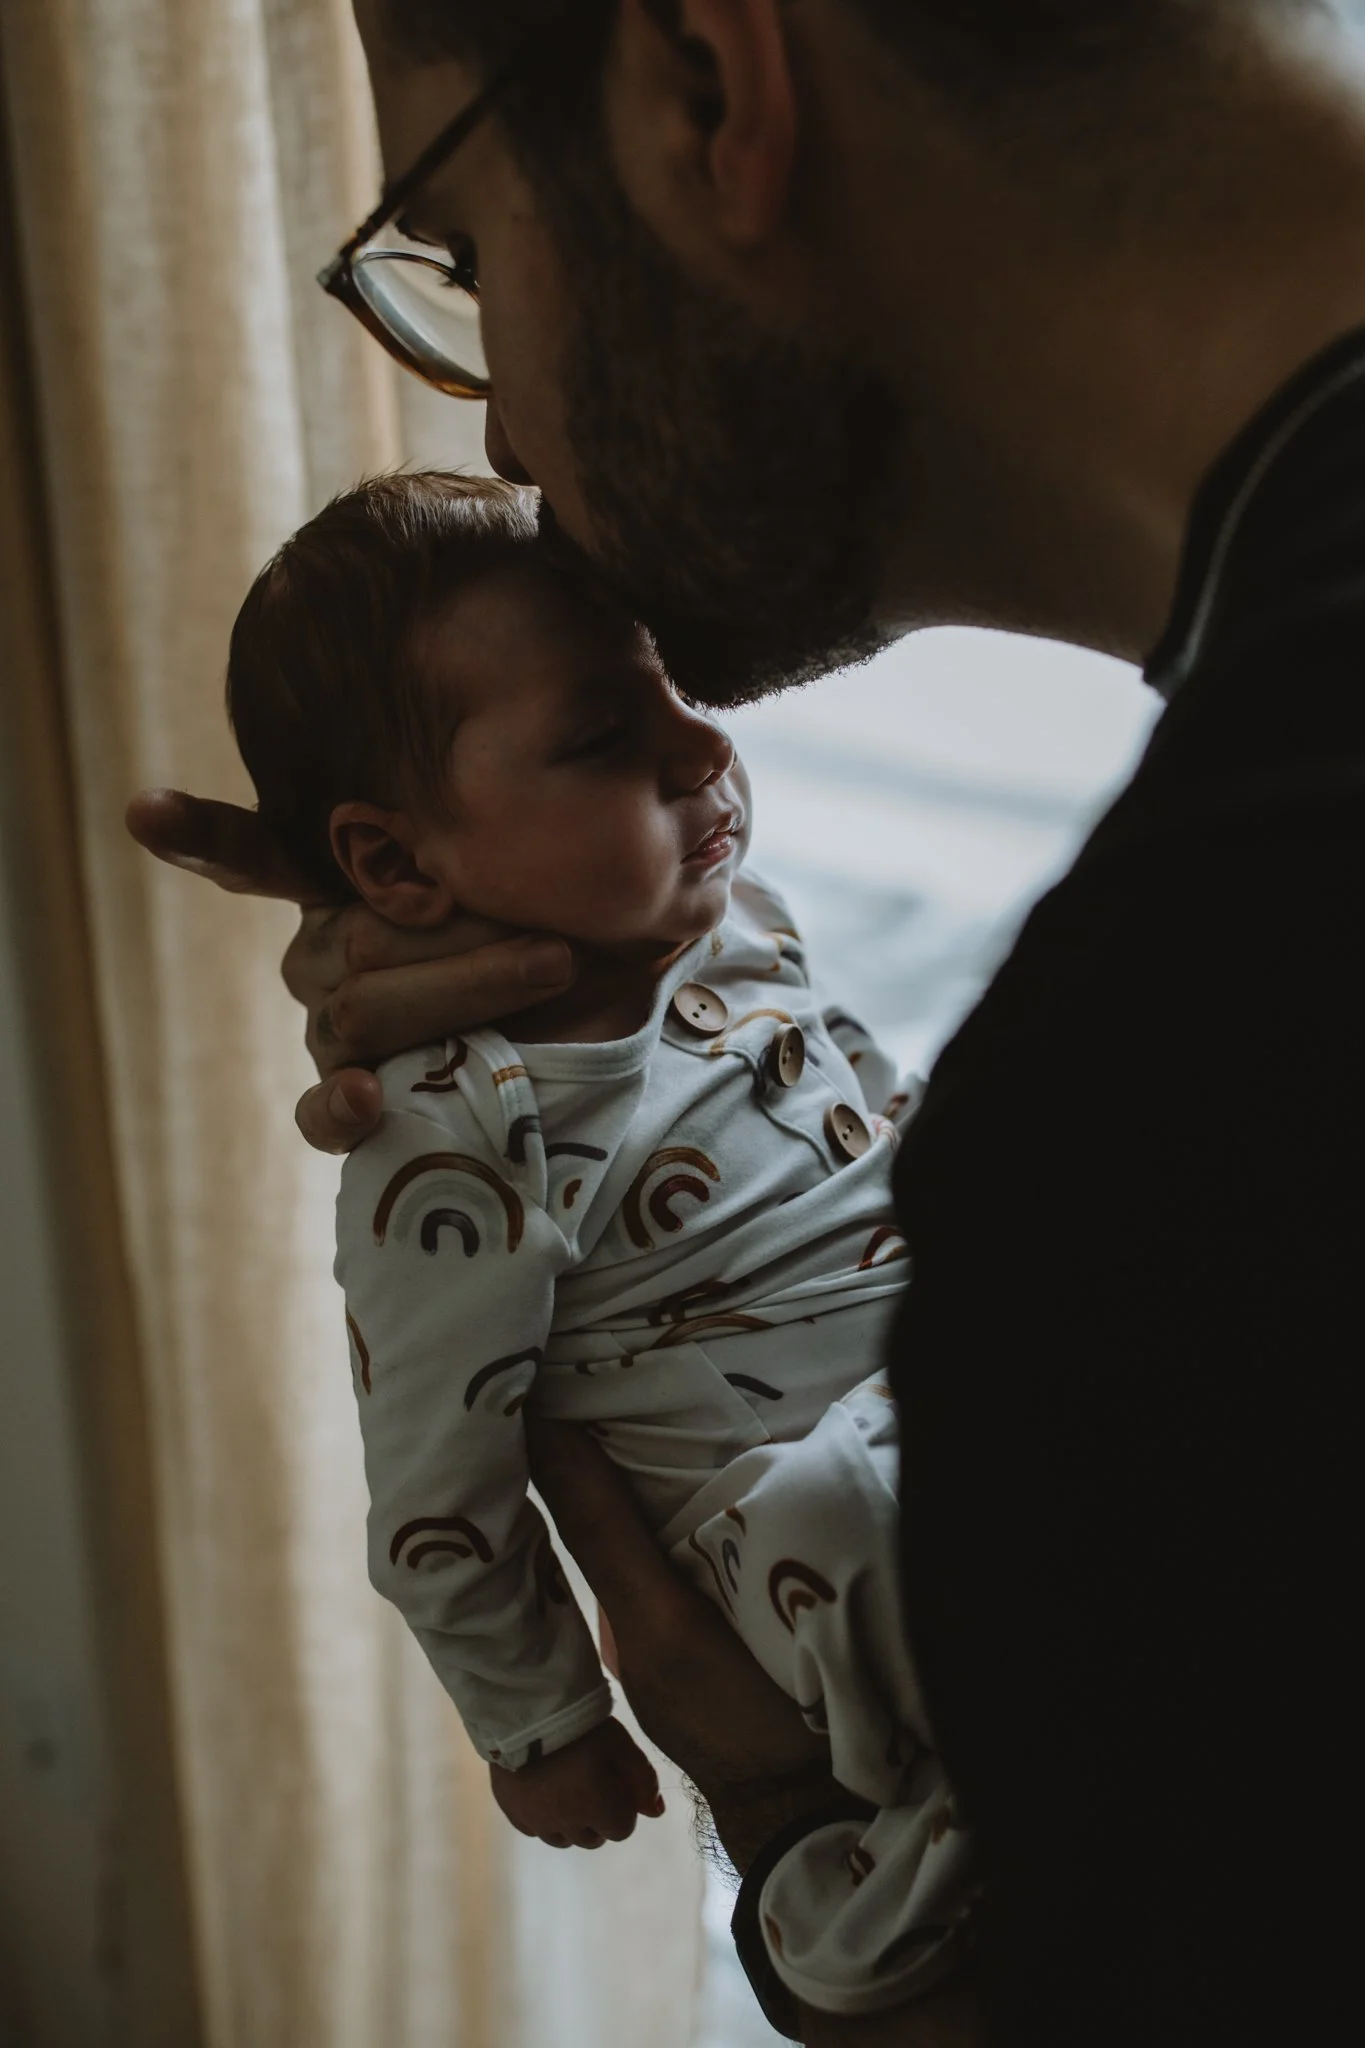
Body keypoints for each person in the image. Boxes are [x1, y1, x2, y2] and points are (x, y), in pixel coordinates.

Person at [127, 2, 1365, 2041]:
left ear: (709, 83)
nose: (505, 437)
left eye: (458, 251)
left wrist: (794, 1843)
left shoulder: (1177, 1064)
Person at [226, 467, 975, 2024]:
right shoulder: (458, 1128)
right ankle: (904, 1896)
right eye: (600, 738)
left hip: (957, 1366)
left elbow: (863, 1089)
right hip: (812, 1521)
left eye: (679, 692)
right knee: (899, 1553)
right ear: (393, 866)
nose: (703, 750)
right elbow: (434, 1479)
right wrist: (539, 1721)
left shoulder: (734, 918)